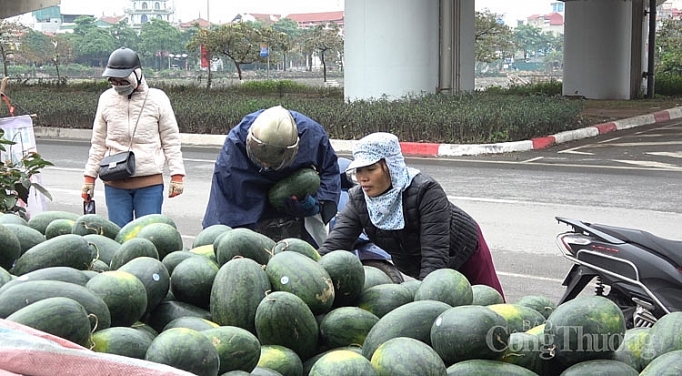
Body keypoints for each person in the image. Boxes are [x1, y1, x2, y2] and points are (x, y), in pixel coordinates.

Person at [318, 132, 505, 298]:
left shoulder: (426, 192)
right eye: (358, 170)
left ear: (390, 166)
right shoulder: (359, 199)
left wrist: (423, 301)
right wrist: (307, 270)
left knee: (489, 306)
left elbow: (434, 258)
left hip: (463, 252)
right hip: (418, 265)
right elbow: (336, 244)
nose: (362, 178)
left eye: (371, 169)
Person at [202, 105, 340, 247]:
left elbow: (330, 172)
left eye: (272, 162)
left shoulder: (313, 136)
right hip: (248, 195)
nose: (266, 165)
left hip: (291, 205)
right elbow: (224, 204)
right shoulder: (236, 143)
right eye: (261, 161)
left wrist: (317, 204)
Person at [81, 47, 185, 228]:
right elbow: (98, 142)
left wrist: (177, 175)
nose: (118, 84)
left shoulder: (158, 99)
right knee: (120, 236)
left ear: (137, 74)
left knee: (149, 234)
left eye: (123, 80)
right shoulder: (106, 99)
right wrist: (89, 178)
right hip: (115, 182)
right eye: (113, 80)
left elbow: (171, 140)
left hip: (149, 183)